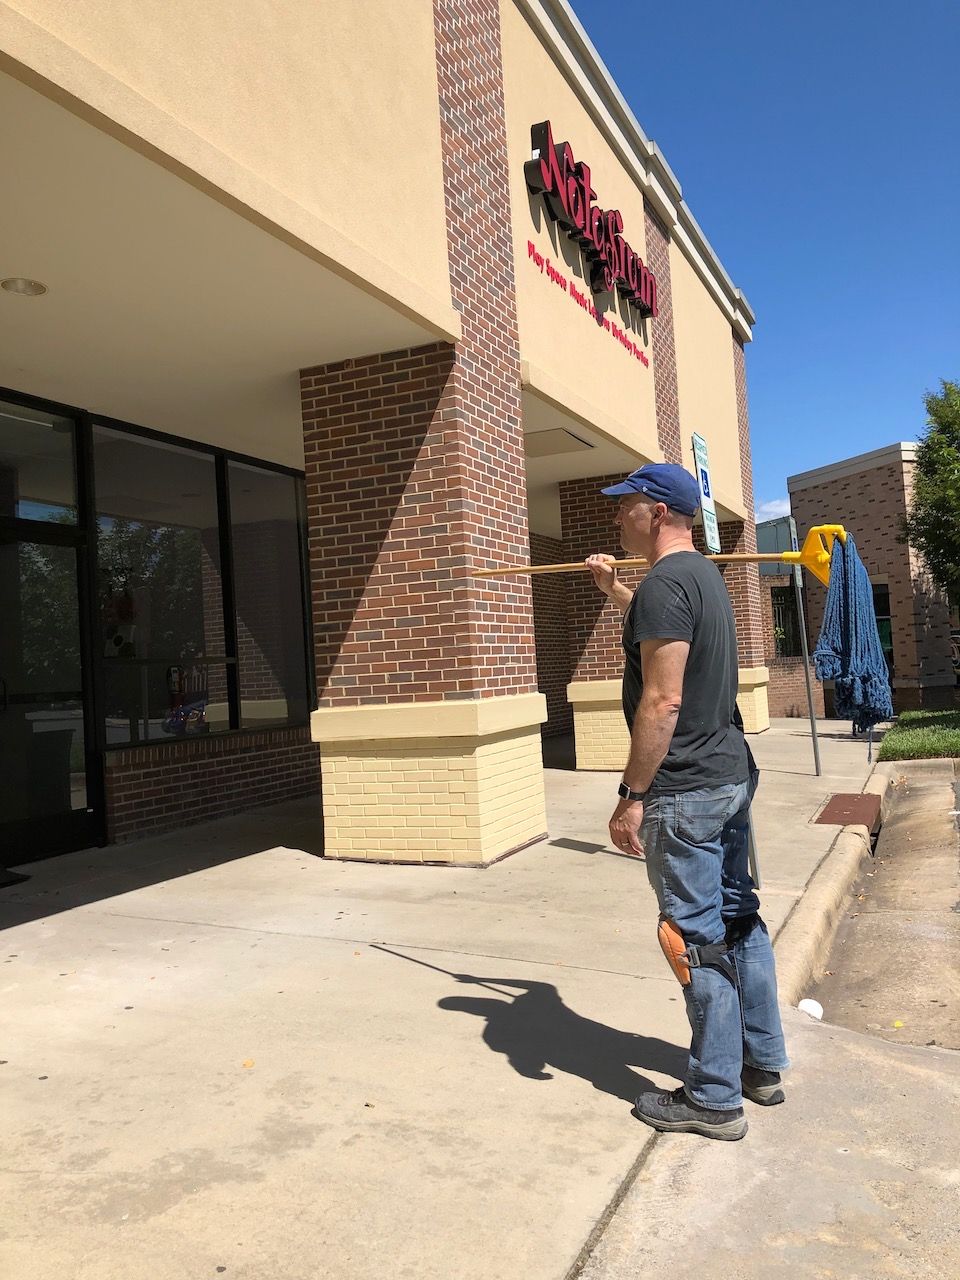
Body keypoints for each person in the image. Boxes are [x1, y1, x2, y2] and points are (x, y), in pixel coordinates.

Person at [585, 462, 789, 1142]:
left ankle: (712, 1098)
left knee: (694, 939)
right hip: (729, 774)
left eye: (627, 506)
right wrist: (617, 593)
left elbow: (664, 698)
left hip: (688, 786)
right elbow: (670, 644)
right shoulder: (699, 577)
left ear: (661, 512)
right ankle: (761, 1064)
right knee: (739, 920)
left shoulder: (667, 585)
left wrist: (630, 795)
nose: (617, 517)